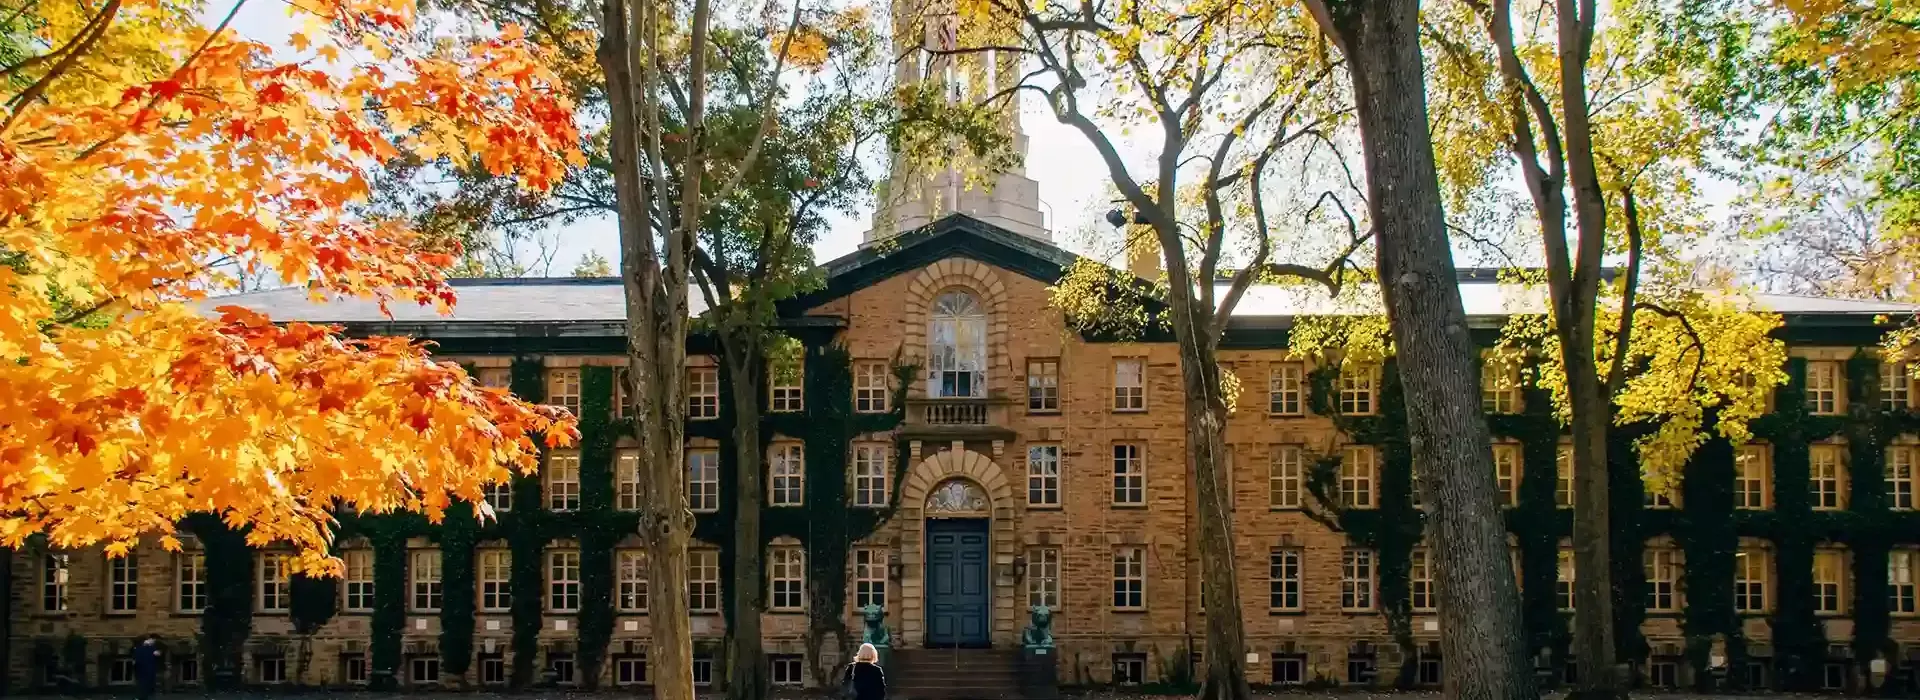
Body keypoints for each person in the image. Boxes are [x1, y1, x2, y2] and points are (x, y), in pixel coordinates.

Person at [131, 635, 160, 700]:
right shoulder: (151, 648)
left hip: (141, 671)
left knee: (142, 686)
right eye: (153, 640)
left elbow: (134, 661)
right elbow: (157, 654)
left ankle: (139, 697)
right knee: (145, 687)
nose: (153, 642)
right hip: (147, 670)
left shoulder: (137, 648)